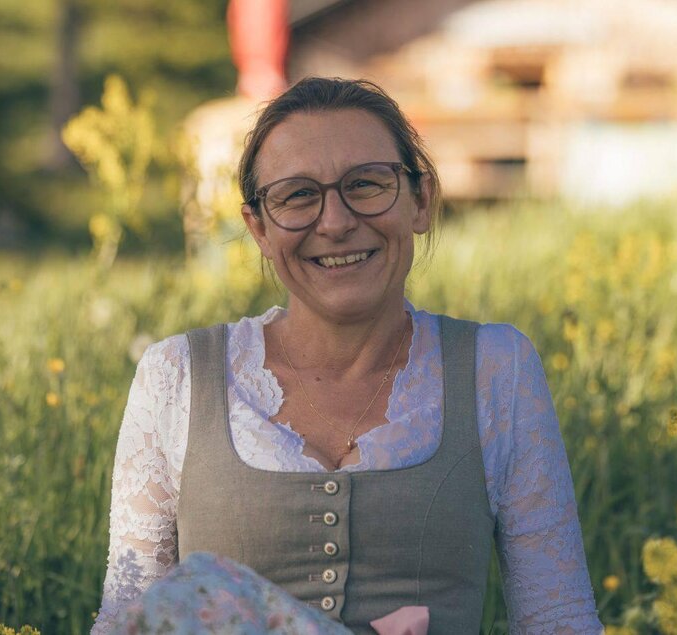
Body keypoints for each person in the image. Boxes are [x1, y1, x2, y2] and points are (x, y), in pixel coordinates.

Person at [93, 77, 602, 634]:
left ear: (421, 200)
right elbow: (128, 618)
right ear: (258, 228)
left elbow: (558, 618)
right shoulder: (178, 377)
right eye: (297, 195)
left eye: (366, 185)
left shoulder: (496, 369)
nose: (334, 222)